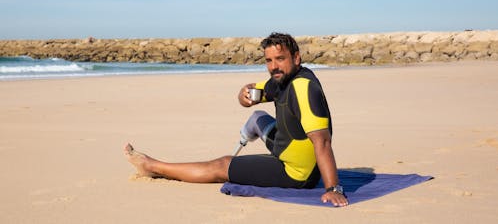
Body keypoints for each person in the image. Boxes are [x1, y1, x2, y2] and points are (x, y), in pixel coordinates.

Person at [124, 32, 348, 207]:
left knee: (222, 165)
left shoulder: (303, 88)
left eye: (280, 59)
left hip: (296, 172)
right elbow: (252, 93)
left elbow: (323, 142)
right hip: (287, 146)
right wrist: (243, 94)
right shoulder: (281, 79)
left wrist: (333, 189)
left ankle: (152, 166)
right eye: (269, 60)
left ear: (296, 58)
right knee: (258, 116)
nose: (273, 66)